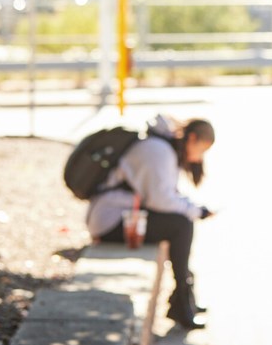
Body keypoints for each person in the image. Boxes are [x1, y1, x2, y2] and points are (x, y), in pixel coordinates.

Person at [86, 114, 216, 330]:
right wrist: (196, 211)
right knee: (181, 225)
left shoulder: (163, 149)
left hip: (125, 217)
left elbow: (165, 196)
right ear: (192, 138)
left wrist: (195, 209)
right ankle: (181, 302)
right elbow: (160, 200)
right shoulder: (159, 151)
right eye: (202, 150)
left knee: (181, 224)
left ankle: (183, 299)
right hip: (111, 220)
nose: (200, 157)